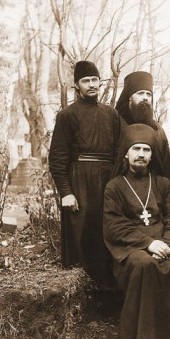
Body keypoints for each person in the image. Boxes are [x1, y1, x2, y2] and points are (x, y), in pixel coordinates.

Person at [103, 124, 170, 339]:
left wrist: (167, 244)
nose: (141, 154)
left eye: (146, 150)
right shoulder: (114, 186)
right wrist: (148, 243)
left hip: (166, 244)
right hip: (132, 248)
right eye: (136, 149)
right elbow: (115, 226)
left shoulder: (163, 184)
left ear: (152, 155)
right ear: (126, 153)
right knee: (144, 265)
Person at [49, 60, 123, 287]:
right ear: (76, 86)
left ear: (100, 82)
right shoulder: (67, 115)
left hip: (108, 180)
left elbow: (120, 151)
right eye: (85, 81)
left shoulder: (111, 114)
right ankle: (82, 294)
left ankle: (109, 293)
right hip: (79, 181)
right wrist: (66, 192)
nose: (91, 85)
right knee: (80, 237)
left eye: (94, 80)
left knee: (107, 233)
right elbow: (57, 158)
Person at [114, 71, 170, 181]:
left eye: (149, 94)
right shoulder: (115, 124)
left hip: (152, 185)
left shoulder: (158, 129)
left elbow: (165, 165)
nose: (145, 97)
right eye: (140, 93)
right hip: (121, 185)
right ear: (129, 97)